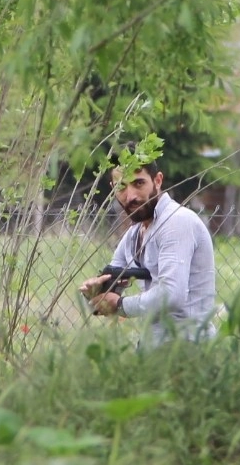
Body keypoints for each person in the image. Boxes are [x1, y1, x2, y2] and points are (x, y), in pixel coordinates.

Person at [79, 146, 217, 345]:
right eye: (122, 186)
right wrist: (95, 295)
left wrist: (120, 304)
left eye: (139, 183)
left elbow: (172, 294)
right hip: (153, 350)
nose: (131, 196)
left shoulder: (176, 222)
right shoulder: (134, 234)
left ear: (158, 180)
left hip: (188, 349)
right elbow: (108, 287)